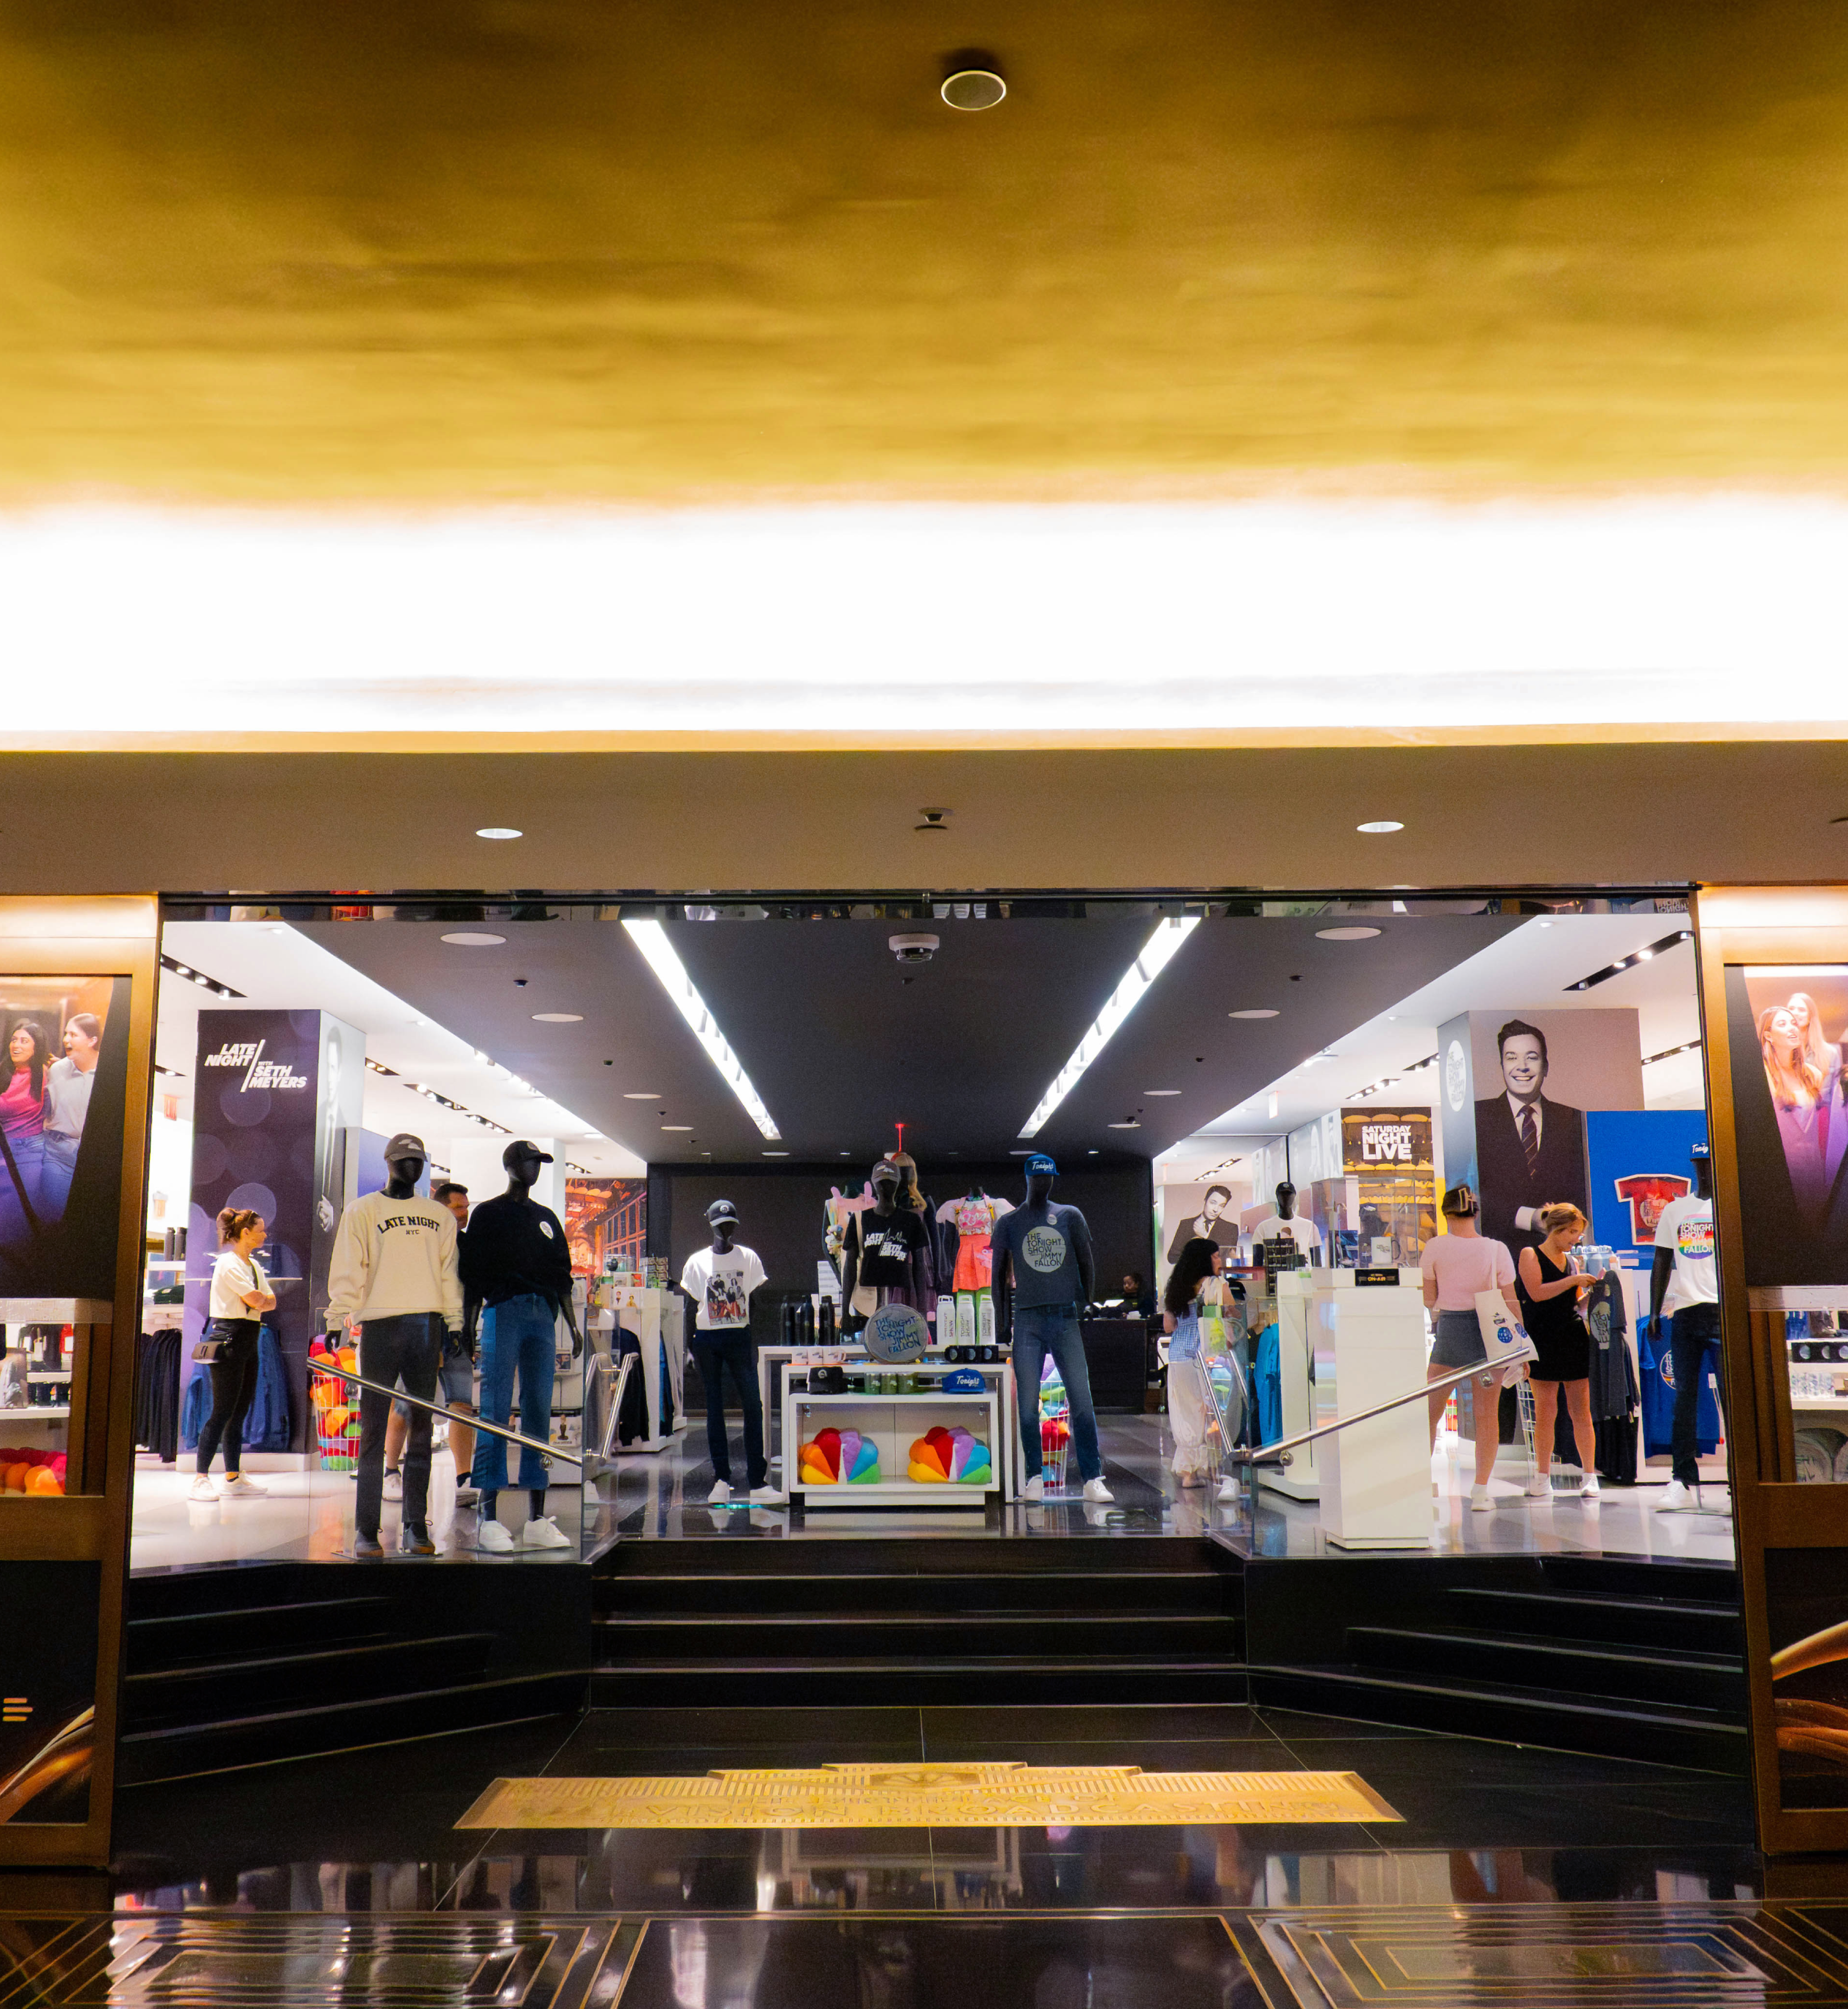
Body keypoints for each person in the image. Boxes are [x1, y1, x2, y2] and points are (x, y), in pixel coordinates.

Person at [1419, 1183, 1523, 1512]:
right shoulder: (1496, 1249)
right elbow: (1511, 1301)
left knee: (1429, 1412)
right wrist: (1520, 1348)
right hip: (1489, 1333)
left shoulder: (1434, 1247)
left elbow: (1429, 1299)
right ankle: (1481, 1491)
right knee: (1486, 1415)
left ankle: (1419, 1480)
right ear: (1476, 1212)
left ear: (1446, 1212)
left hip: (1450, 1331)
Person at [381, 1179, 477, 1505]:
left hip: (458, 1336)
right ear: (441, 1208)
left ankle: (465, 1478)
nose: (464, 1213)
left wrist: (468, 1335)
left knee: (462, 1405)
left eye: (466, 1207)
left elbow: (472, 1294)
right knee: (406, 1404)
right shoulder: (420, 1242)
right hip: (421, 1333)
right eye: (458, 1207)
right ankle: (391, 1471)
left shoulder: (467, 1245)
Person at [1472, 1020, 1589, 1256]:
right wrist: (1530, 1218)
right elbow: (1472, 1194)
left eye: (1532, 1057)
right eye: (1512, 1057)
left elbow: (1583, 1190)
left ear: (1546, 1067)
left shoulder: (1573, 1120)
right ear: (1502, 1065)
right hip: (1498, 1259)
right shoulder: (1476, 1119)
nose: (1522, 1067)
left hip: (1562, 1260)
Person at [189, 1207, 278, 1501]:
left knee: (239, 1411)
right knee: (222, 1411)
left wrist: (258, 1301)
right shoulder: (228, 1264)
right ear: (245, 1233)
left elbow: (270, 1301)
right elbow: (256, 1298)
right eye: (261, 1230)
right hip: (229, 1338)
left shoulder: (252, 1265)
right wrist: (258, 1301)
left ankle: (233, 1475)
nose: (265, 1234)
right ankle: (200, 1477)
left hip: (249, 1339)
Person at [1516, 1201, 1600, 1500]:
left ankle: (1590, 1476)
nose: (1576, 1239)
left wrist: (1590, 1294)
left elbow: (1573, 1302)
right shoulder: (1530, 1255)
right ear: (1559, 1229)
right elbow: (1537, 1293)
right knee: (1546, 1411)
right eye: (1573, 1233)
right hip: (1543, 1338)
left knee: (1581, 1410)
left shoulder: (1571, 1262)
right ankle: (1542, 1477)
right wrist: (1573, 1280)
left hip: (1572, 1335)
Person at [1163, 1237, 1221, 1487]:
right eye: (1216, 1256)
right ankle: (1212, 1468)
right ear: (1205, 1259)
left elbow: (1168, 1326)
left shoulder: (1175, 1287)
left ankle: (1189, 1473)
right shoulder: (1212, 1284)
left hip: (1177, 1357)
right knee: (1209, 1411)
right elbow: (1227, 1316)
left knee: (1185, 1412)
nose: (1220, 1260)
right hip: (1204, 1355)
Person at [39, 1012, 100, 1220]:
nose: (66, 1040)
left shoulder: (108, 1074)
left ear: (92, 1040)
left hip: (95, 1157)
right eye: (66, 1034)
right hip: (58, 1152)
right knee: (52, 1218)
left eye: (73, 1035)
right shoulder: (57, 1070)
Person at [0, 1019, 52, 1224]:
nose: (17, 1045)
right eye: (14, 1040)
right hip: (3, 1149)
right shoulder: (3, 1072)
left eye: (24, 1041)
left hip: (31, 1151)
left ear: (36, 1047)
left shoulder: (47, 1074)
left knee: (21, 1216)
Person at [1166, 1184, 1236, 1261]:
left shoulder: (1230, 1228)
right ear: (1205, 1200)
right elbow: (1172, 1258)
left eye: (1222, 1206)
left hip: (1216, 1273)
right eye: (1213, 1203)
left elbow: (1228, 1258)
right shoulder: (1186, 1225)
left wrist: (1205, 1237)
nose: (1216, 1210)